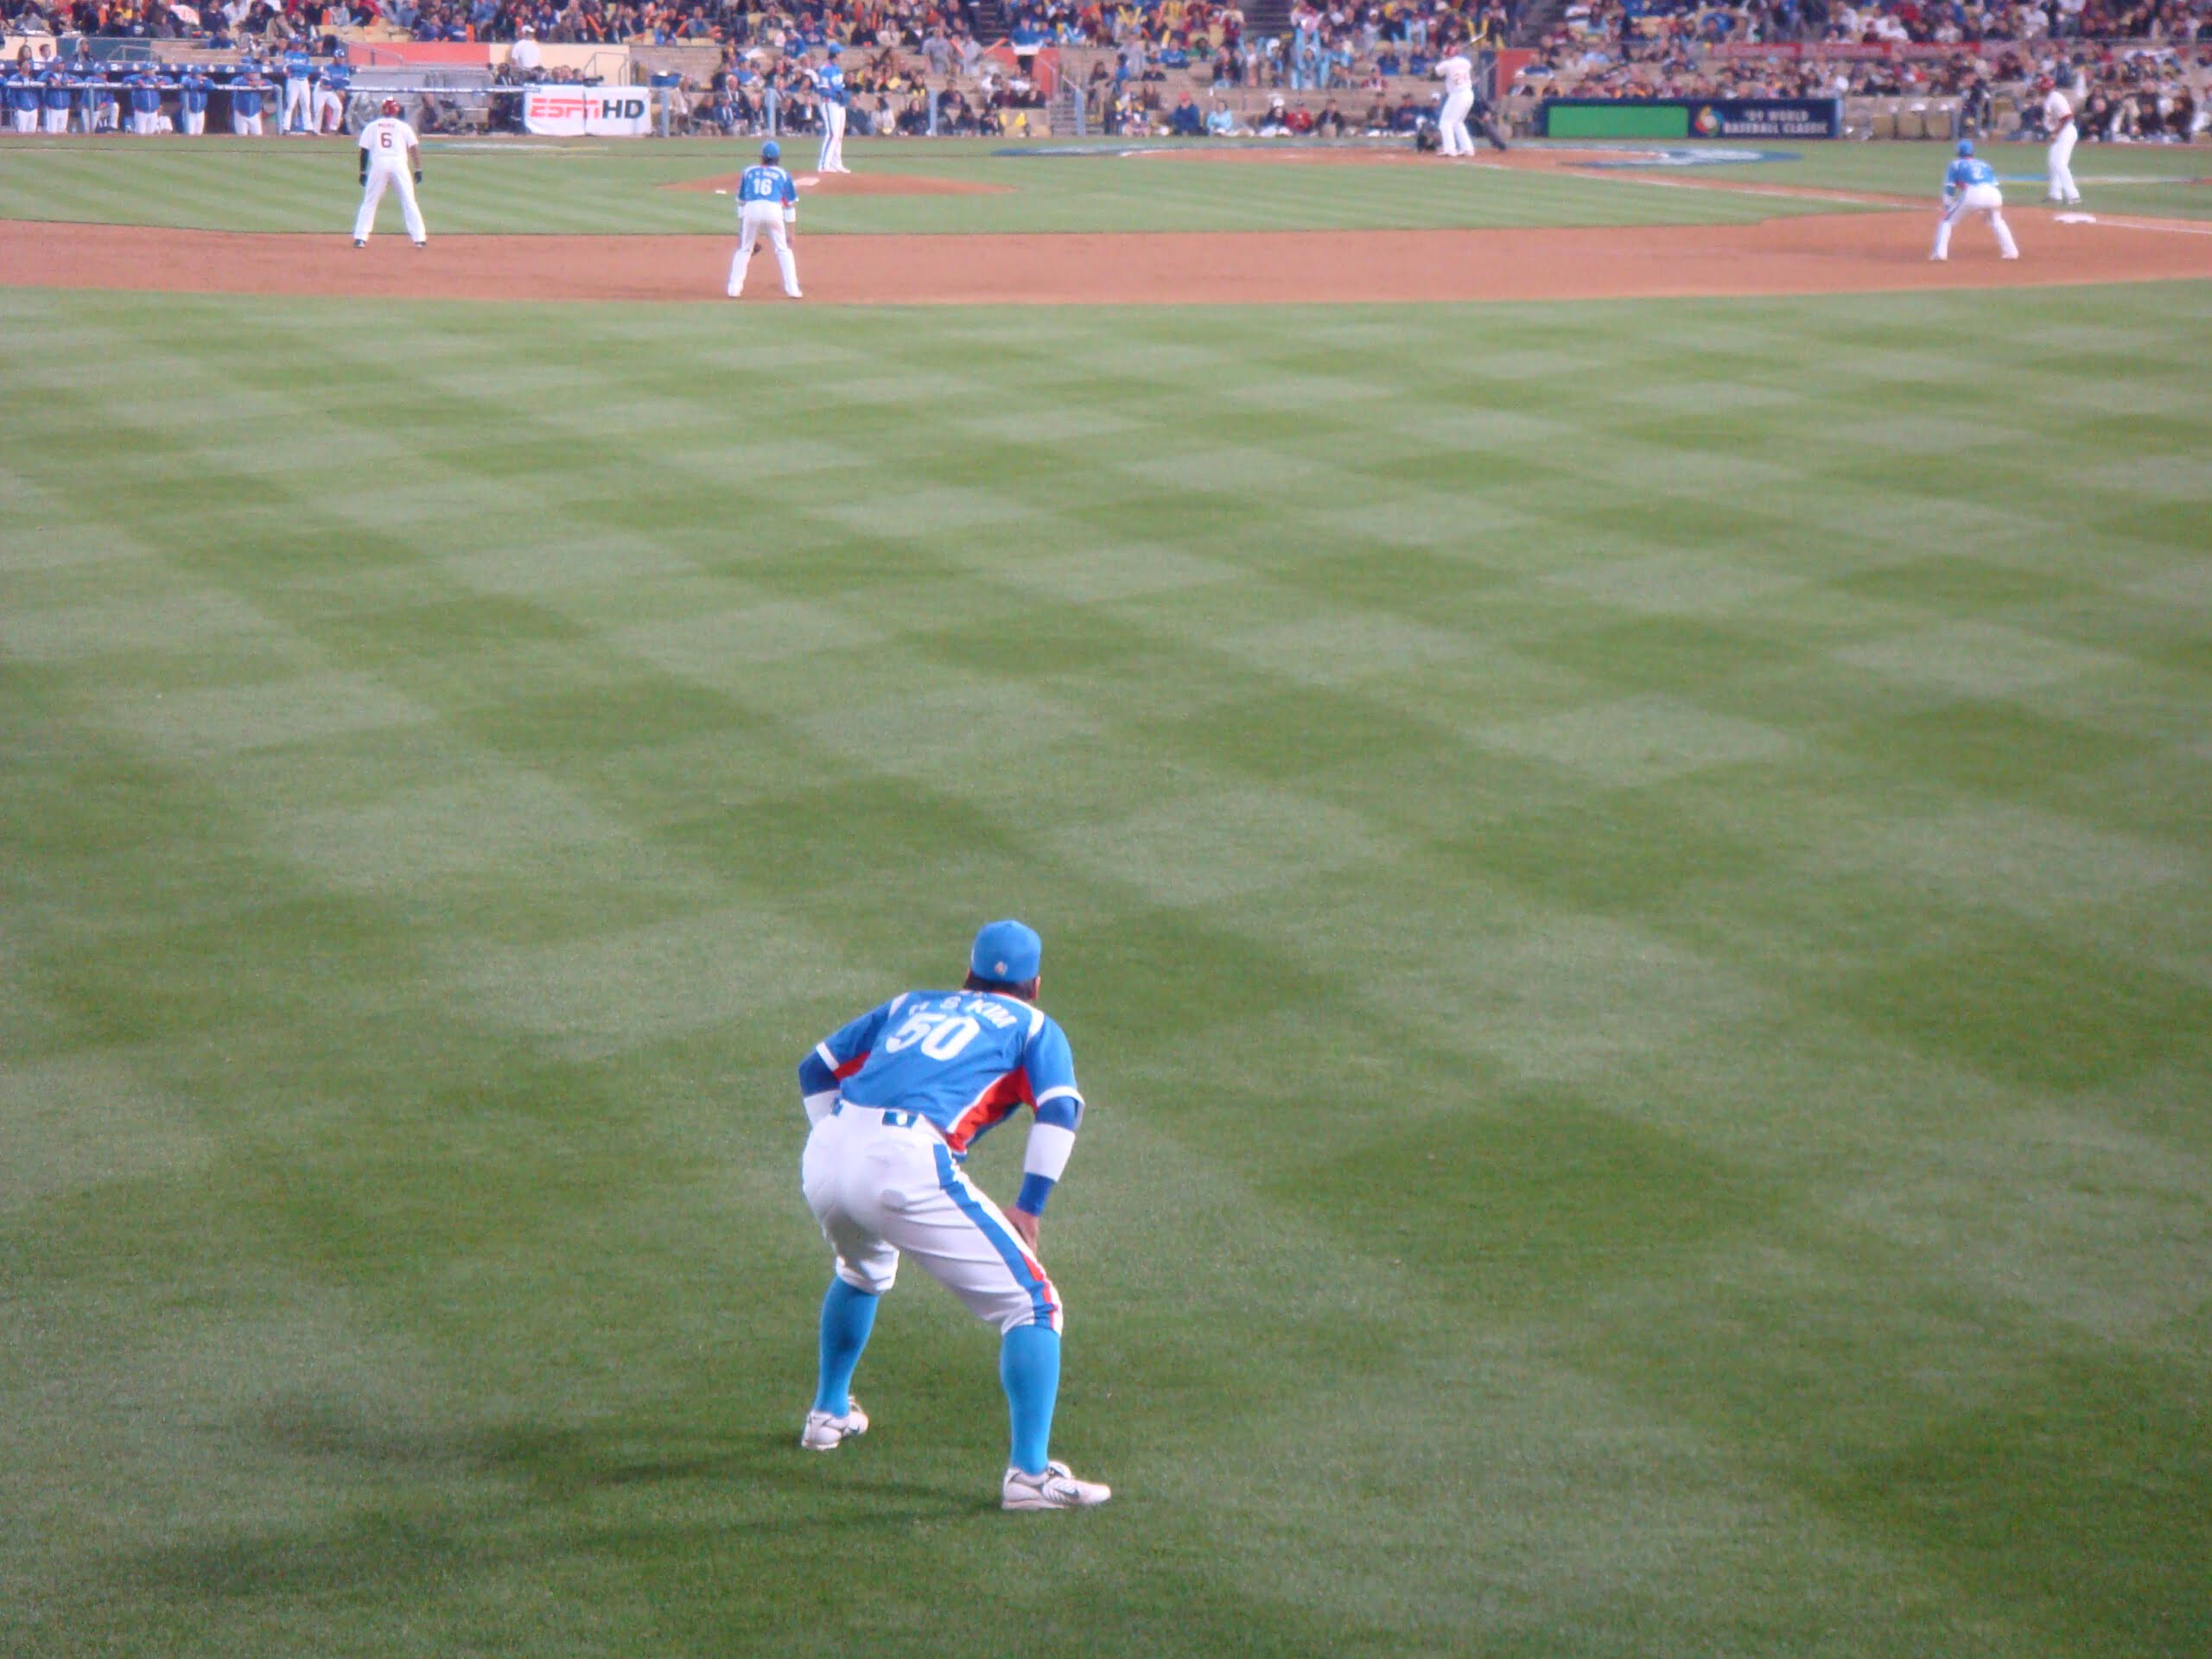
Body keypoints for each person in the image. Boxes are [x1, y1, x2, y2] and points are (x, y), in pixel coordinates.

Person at [795, 919, 1110, 1512]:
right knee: (1034, 1304)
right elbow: (1061, 1109)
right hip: (901, 1158)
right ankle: (1030, 1476)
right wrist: (1030, 1206)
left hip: (828, 1150)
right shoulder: (1034, 1025)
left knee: (861, 1270)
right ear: (1035, 985)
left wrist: (844, 1150)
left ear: (965, 972)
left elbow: (815, 1068)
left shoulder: (913, 1003)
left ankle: (828, 1414)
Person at [727, 137, 801, 298]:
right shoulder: (783, 174)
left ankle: (734, 289)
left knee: (745, 249)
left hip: (751, 209)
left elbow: (741, 202)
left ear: (761, 157)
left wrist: (742, 229)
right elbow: (789, 206)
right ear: (778, 158)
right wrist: (792, 233)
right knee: (783, 250)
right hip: (773, 209)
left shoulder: (748, 171)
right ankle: (793, 289)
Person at [353, 97, 427, 247]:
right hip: (399, 164)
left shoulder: (372, 126)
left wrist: (362, 172)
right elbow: (413, 147)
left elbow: (364, 151)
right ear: (397, 111)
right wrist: (418, 169)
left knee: (370, 202)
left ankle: (361, 238)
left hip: (379, 163)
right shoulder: (403, 127)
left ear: (382, 110)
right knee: (409, 201)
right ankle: (419, 239)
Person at [1930, 138, 2018, 262]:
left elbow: (1949, 187)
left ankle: (1940, 254)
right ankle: (2011, 252)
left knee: (1947, 221)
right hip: (1994, 194)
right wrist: (1987, 209)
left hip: (1974, 194)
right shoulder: (1984, 164)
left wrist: (1947, 206)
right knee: (1997, 221)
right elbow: (1994, 185)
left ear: (1959, 152)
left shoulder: (1956, 164)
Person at [2041, 73, 2082, 204]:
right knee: (2053, 162)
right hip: (2060, 132)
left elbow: (2067, 117)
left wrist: (2055, 133)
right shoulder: (2049, 98)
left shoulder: (2056, 97)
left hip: (2066, 132)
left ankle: (2073, 195)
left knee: (2060, 164)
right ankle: (2055, 195)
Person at [813, 41, 849, 174]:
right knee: (832, 134)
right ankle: (823, 165)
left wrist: (843, 95)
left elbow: (840, 87)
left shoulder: (838, 69)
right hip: (829, 103)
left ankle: (836, 163)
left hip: (839, 105)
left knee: (839, 135)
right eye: (840, 53)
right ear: (835, 54)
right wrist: (836, 95)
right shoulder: (825, 69)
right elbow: (822, 90)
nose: (842, 55)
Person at [1434, 40, 1474, 156]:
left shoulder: (1446, 64)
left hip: (1458, 94)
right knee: (1458, 122)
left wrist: (1445, 58)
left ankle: (1450, 149)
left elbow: (1437, 72)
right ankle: (1467, 148)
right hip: (1468, 93)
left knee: (1445, 122)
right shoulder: (1465, 61)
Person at [281, 35, 314, 135]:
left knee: (306, 105)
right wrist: (300, 68)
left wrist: (297, 68)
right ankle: (286, 128)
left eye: (299, 43)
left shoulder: (305, 56)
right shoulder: (288, 54)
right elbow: (290, 67)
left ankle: (309, 128)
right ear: (293, 44)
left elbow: (309, 69)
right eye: (296, 43)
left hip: (304, 81)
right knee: (290, 105)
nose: (298, 45)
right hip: (293, 81)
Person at [315, 44, 351, 134]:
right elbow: (325, 83)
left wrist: (337, 86)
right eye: (340, 58)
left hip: (332, 90)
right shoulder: (328, 67)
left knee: (338, 108)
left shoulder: (344, 68)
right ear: (335, 58)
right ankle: (315, 131)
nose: (342, 59)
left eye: (342, 57)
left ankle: (333, 129)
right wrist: (337, 85)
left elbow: (345, 82)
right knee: (319, 109)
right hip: (321, 91)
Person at [231, 66, 268, 136]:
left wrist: (261, 82)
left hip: (254, 113)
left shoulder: (257, 80)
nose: (252, 74)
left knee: (258, 136)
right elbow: (236, 82)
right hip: (241, 113)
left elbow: (269, 82)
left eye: (253, 73)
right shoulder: (238, 79)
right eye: (250, 73)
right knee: (241, 136)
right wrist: (252, 84)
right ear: (245, 73)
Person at [179, 66, 211, 135]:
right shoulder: (186, 79)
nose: (200, 75)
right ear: (193, 74)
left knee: (199, 134)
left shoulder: (205, 79)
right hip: (189, 112)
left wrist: (200, 83)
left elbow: (211, 85)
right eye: (198, 74)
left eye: (201, 74)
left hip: (200, 112)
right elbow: (190, 85)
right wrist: (200, 83)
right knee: (189, 135)